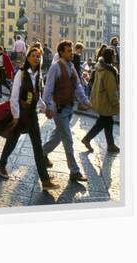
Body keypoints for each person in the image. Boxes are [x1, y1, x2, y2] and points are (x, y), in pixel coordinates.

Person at [0, 48, 59, 190]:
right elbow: (14, 96)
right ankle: (1, 165)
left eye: (38, 56)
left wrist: (45, 109)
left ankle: (45, 180)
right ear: (28, 57)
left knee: (38, 147)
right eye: (34, 56)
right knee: (12, 141)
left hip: (32, 115)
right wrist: (16, 117)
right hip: (21, 114)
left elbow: (37, 97)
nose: (36, 58)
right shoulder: (21, 73)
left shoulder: (38, 75)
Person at [42, 40, 92, 183]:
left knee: (57, 136)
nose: (72, 53)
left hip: (69, 108)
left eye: (71, 50)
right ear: (61, 52)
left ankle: (42, 153)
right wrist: (49, 107)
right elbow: (48, 90)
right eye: (69, 51)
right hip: (59, 110)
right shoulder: (55, 68)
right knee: (68, 140)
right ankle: (74, 171)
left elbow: (77, 86)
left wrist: (85, 101)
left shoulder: (71, 67)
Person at [81, 48, 120, 153]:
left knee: (108, 121)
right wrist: (116, 102)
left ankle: (110, 145)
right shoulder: (108, 71)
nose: (115, 57)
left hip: (100, 99)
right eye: (114, 55)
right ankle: (87, 139)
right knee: (104, 121)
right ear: (110, 57)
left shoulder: (100, 67)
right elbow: (111, 90)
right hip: (106, 101)